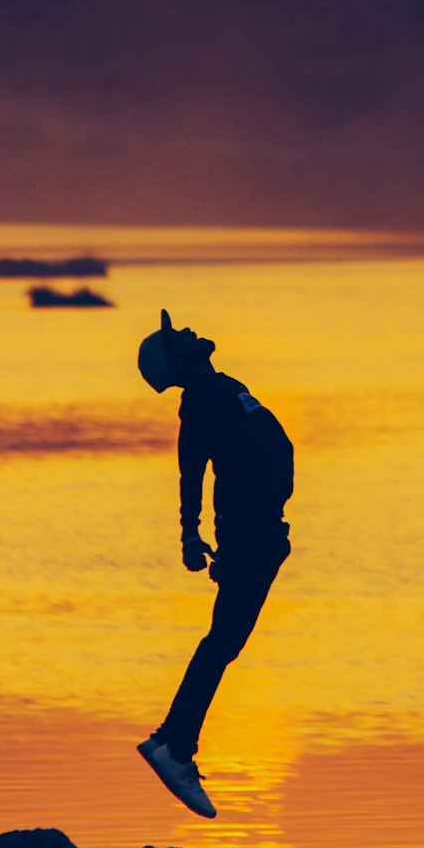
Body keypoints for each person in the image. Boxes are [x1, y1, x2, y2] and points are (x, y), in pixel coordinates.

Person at [136, 309, 293, 818]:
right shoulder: (200, 403)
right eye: (174, 337)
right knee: (223, 641)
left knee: (224, 642)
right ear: (174, 364)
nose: (184, 331)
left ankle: (172, 741)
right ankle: (175, 748)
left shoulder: (224, 386)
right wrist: (189, 534)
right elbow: (190, 474)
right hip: (248, 534)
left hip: (263, 531)